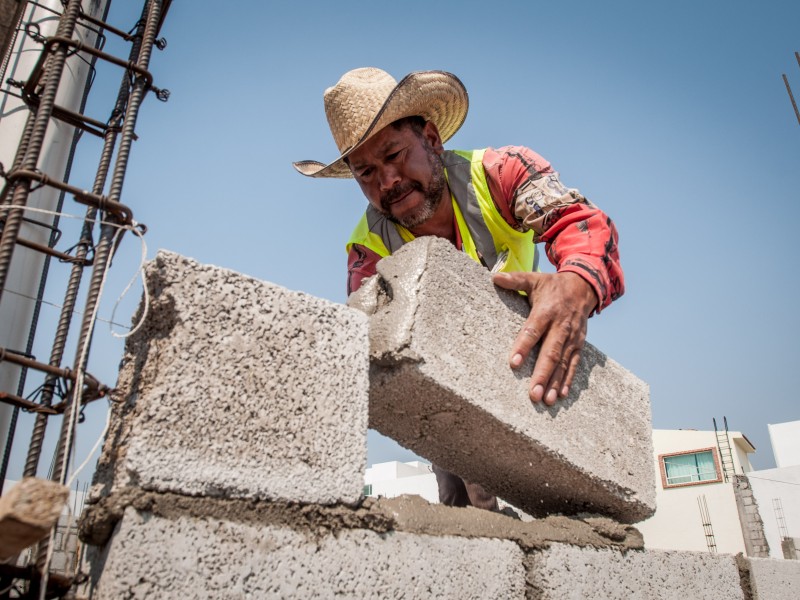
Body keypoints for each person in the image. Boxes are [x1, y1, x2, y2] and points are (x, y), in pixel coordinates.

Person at [293, 67, 624, 511]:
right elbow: (368, 340)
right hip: (445, 376)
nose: (387, 181)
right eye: (366, 172)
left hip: (522, 360)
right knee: (460, 503)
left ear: (431, 139)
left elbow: (579, 224)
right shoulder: (367, 248)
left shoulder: (501, 172)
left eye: (394, 155)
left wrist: (575, 285)